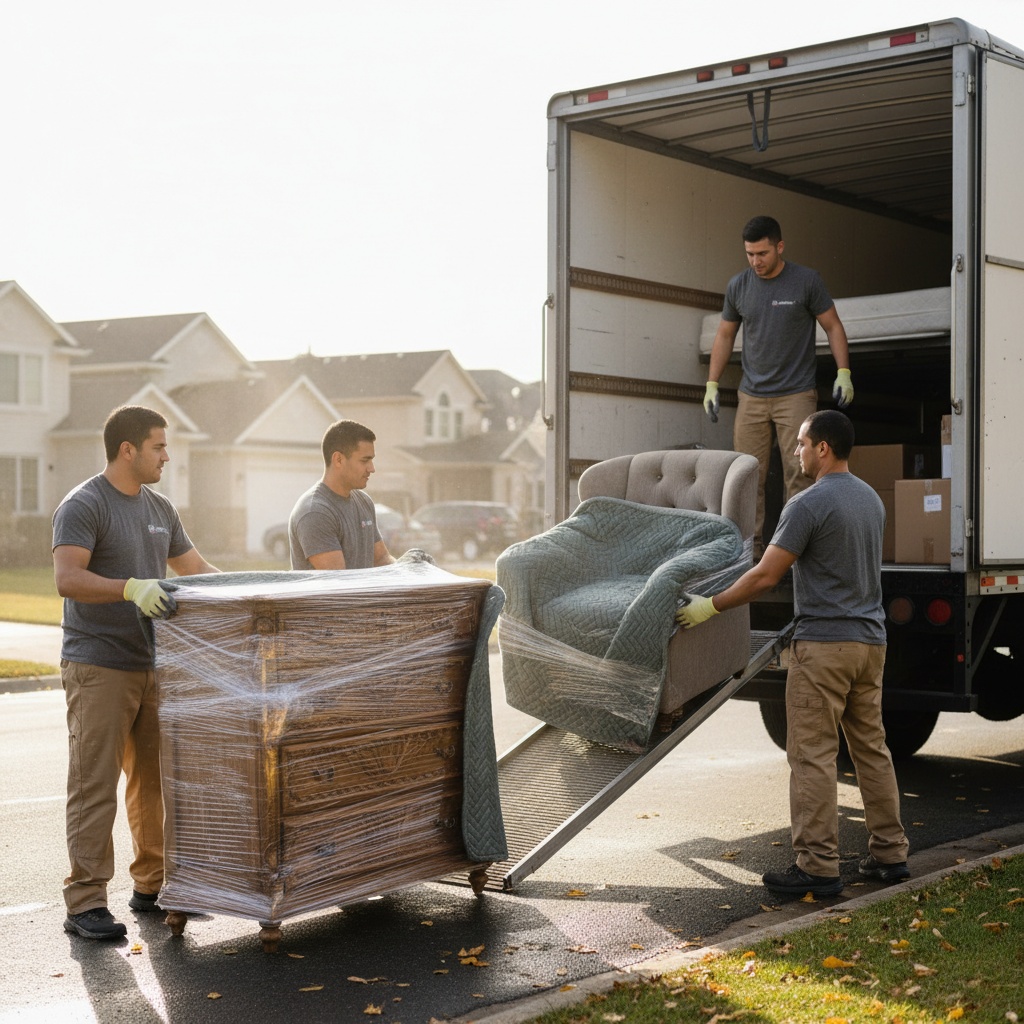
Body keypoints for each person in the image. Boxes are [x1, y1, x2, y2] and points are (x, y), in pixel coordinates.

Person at [676, 409, 909, 898]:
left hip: (824, 646)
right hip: (870, 644)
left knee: (812, 756)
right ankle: (890, 855)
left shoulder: (808, 503)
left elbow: (766, 575)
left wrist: (710, 606)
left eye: (802, 443)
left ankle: (818, 866)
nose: (796, 452)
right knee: (871, 749)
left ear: (823, 447)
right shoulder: (870, 499)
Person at [52, 405, 220, 940]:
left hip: (153, 664)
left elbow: (194, 570)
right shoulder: (84, 504)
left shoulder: (160, 507)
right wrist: (129, 587)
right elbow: (68, 578)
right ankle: (84, 904)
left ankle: (153, 886)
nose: (167, 456)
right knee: (94, 782)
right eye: (158, 447)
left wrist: (253, 591)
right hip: (97, 664)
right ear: (128, 450)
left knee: (153, 784)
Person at [703, 214, 853, 555]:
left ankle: (793, 548)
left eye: (763, 254)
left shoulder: (806, 281)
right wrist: (712, 383)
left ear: (779, 247)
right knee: (745, 476)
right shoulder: (738, 286)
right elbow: (725, 334)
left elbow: (833, 326)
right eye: (750, 254)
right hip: (752, 396)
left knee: (799, 474)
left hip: (795, 394)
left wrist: (844, 372)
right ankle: (749, 550)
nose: (756, 261)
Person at [288, 419, 396, 570]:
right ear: (338, 459)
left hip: (358, 593)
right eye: (365, 461)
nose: (372, 469)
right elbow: (340, 584)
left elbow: (381, 559)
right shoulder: (315, 512)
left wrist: (412, 570)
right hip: (340, 593)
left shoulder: (364, 502)